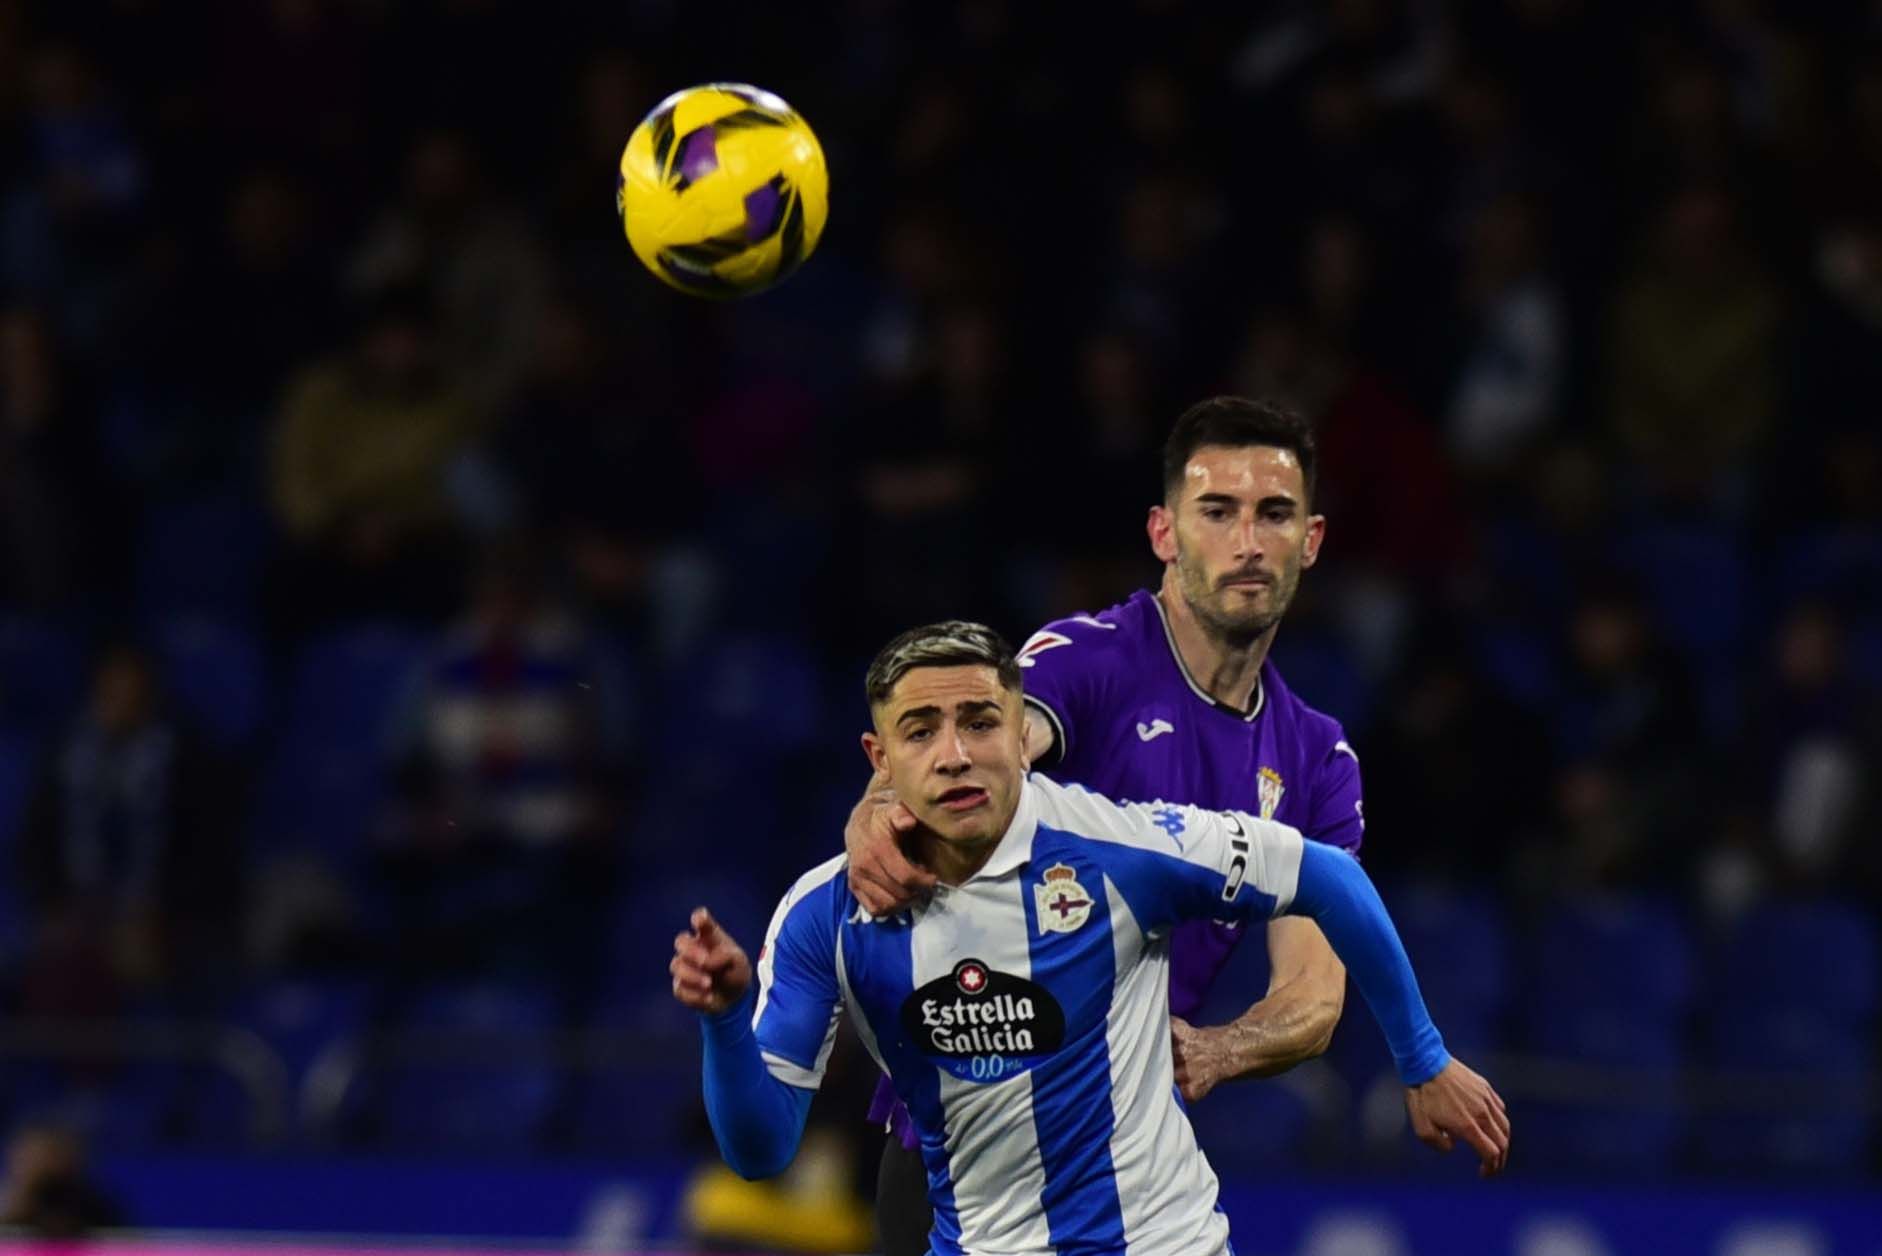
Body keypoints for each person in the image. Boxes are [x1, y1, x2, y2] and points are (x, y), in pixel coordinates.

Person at [671, 622, 1508, 1256]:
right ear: (878, 757)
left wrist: (1422, 1057)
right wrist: (724, 1017)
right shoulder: (825, 912)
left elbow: (1328, 876)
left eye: (980, 721)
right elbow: (759, 1150)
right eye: (921, 730)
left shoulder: (1123, 850)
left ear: (1021, 734)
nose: (957, 754)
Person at [846, 396, 1372, 1252]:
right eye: (1217, 511)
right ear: (1164, 533)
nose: (1247, 541)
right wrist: (874, 810)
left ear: (1310, 541)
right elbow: (985, 744)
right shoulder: (1088, 660)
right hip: (970, 1167)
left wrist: (1220, 1049)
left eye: (1274, 514)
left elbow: (1313, 994)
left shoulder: (1316, 759)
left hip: (1132, 1178)